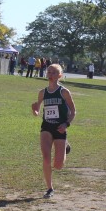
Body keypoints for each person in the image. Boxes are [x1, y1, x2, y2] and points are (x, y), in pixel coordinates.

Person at [31, 63, 76, 199]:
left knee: (58, 165)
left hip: (60, 128)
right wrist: (35, 110)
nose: (50, 75)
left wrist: (66, 124)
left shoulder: (64, 92)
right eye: (49, 72)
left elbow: (73, 111)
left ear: (59, 76)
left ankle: (65, 145)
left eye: (54, 72)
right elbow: (38, 110)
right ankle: (49, 188)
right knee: (46, 158)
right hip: (46, 127)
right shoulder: (42, 93)